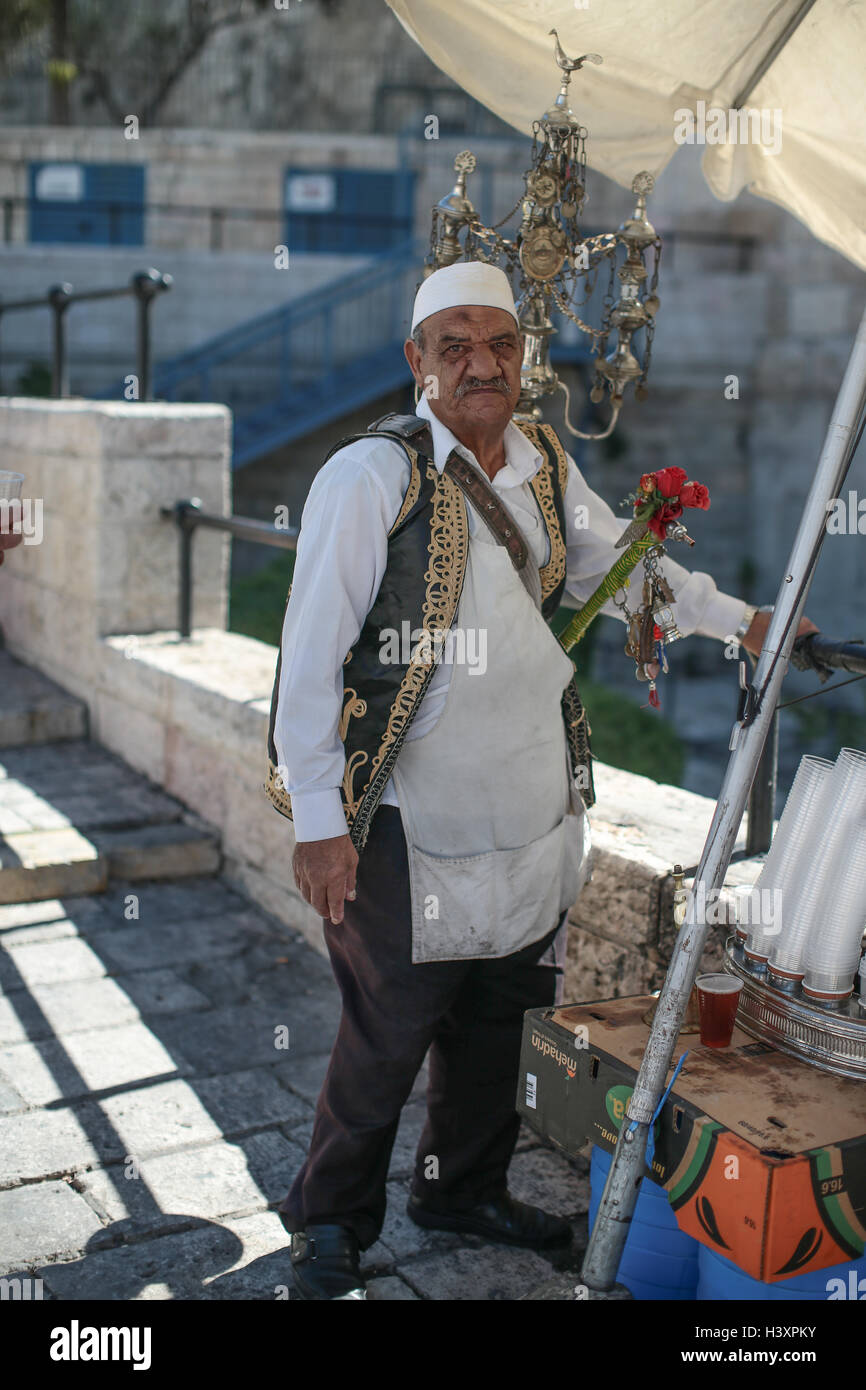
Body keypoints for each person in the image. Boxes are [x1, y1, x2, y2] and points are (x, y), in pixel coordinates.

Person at [264, 261, 816, 1300]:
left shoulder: (544, 465)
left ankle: (457, 1187)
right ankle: (329, 1217)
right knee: (387, 1028)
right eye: (455, 345)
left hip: (526, 803)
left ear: (526, 357)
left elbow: (629, 572)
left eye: (501, 345)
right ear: (416, 360)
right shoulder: (368, 477)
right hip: (402, 814)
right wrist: (320, 821)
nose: (481, 365)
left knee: (496, 1022)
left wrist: (744, 620)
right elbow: (308, 655)